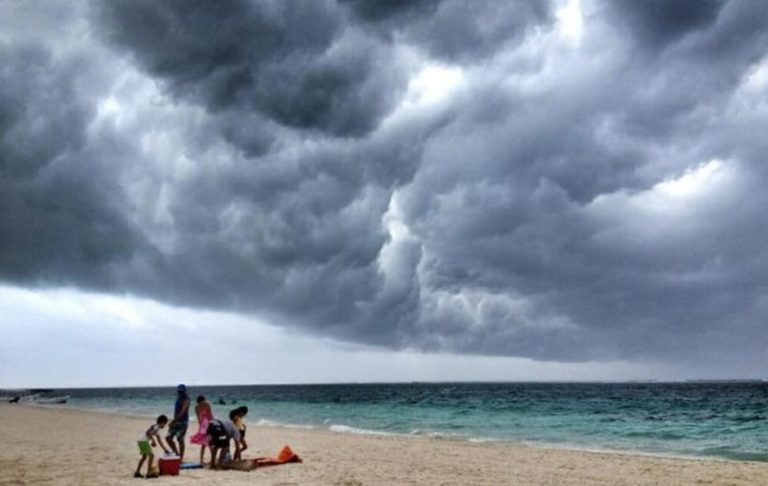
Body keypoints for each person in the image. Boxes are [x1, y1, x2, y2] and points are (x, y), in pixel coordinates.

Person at [166, 384, 190, 461]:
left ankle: (181, 458)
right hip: (176, 421)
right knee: (168, 438)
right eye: (179, 391)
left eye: (181, 391)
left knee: (180, 440)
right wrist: (174, 421)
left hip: (182, 423)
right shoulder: (178, 398)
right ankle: (176, 453)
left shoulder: (187, 399)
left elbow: (182, 412)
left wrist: (173, 421)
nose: (180, 393)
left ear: (185, 391)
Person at [189, 395, 213, 464]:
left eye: (203, 401)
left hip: (209, 423)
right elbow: (198, 418)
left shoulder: (207, 404)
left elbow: (211, 415)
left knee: (210, 443)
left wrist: (212, 424)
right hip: (203, 425)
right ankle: (201, 460)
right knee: (204, 443)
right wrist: (201, 426)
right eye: (201, 402)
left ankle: (212, 459)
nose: (202, 403)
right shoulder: (197, 407)